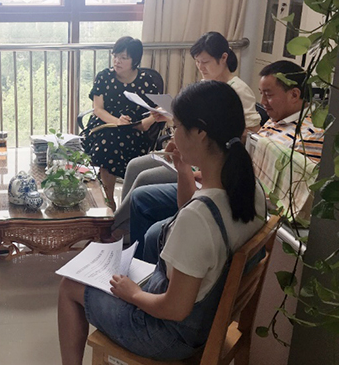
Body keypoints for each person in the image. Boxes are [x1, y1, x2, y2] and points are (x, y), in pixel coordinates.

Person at [58, 81, 267, 364]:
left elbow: (174, 309)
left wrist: (133, 294)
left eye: (176, 126)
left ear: (200, 132)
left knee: (70, 287)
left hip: (170, 335)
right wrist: (183, 168)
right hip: (207, 318)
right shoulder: (250, 189)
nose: (173, 134)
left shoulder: (198, 218)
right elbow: (194, 217)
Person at [130, 60, 324, 262]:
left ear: (294, 94)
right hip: (227, 185)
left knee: (154, 233)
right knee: (142, 196)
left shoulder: (310, 136)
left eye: (176, 127)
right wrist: (187, 170)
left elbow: (293, 193)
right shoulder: (275, 122)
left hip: (233, 193)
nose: (263, 102)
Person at [112, 31, 261, 233]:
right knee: (134, 165)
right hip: (190, 149)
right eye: (197, 62)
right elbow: (196, 122)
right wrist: (170, 116)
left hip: (204, 157)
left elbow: (250, 132)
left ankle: (114, 226)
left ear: (224, 58)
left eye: (205, 62)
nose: (200, 67)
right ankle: (124, 226)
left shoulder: (238, 91)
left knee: (144, 179)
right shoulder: (206, 85)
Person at [81, 36, 164, 209]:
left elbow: (158, 108)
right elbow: (98, 109)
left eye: (123, 58)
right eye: (115, 56)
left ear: (135, 60)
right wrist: (117, 122)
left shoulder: (146, 80)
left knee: (120, 144)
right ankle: (109, 199)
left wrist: (146, 122)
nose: (117, 61)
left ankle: (125, 202)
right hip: (105, 124)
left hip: (135, 128)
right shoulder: (104, 77)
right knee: (108, 142)